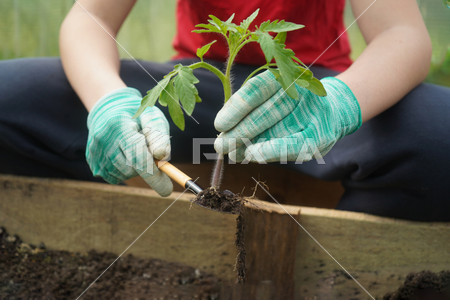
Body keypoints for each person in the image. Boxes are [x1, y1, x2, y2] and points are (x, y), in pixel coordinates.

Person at [0, 0, 449, 221]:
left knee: (439, 137)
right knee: (10, 97)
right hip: (196, 85)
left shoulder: (323, 98)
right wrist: (107, 99)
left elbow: (403, 35)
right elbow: (89, 18)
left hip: (309, 91)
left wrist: (341, 101)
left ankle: (343, 278)